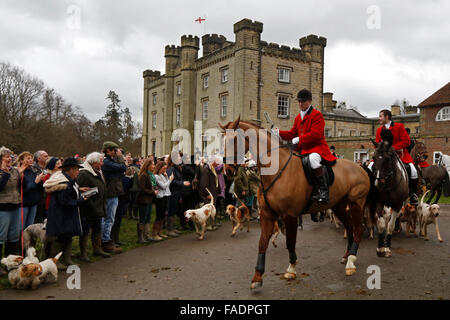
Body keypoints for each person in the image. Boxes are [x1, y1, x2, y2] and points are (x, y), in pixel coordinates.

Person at [274, 89, 337, 203]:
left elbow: (316, 135)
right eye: (299, 101)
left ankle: (323, 191)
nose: (300, 104)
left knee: (313, 160)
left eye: (303, 101)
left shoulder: (317, 115)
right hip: (303, 149)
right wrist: (279, 132)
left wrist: (300, 138)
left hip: (317, 148)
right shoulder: (298, 117)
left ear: (309, 101)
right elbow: (292, 133)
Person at [44, 158, 88, 270]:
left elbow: (71, 192)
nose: (78, 171)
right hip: (61, 215)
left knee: (68, 236)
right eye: (77, 169)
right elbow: (65, 201)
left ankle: (66, 259)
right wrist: (81, 200)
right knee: (61, 237)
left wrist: (79, 190)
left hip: (66, 214)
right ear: (71, 170)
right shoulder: (63, 183)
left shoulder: (68, 180)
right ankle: (54, 261)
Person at [368, 109, 419, 204]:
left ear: (387, 117)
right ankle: (370, 190)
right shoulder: (379, 130)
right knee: (369, 167)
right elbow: (377, 145)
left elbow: (406, 141)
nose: (379, 118)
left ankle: (412, 194)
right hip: (383, 156)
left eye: (380, 116)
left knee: (413, 171)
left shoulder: (399, 126)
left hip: (399, 155)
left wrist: (393, 148)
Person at [76, 152, 110, 262]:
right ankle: (83, 253)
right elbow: (82, 191)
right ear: (94, 162)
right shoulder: (84, 173)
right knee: (85, 231)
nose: (102, 163)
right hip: (88, 207)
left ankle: (97, 249)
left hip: (98, 206)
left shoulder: (96, 171)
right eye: (101, 161)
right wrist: (94, 198)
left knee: (97, 228)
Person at [0, 147, 22, 275]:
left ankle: (10, 262)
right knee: (1, 236)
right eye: (7, 156)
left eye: (10, 156)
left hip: (15, 205)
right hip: (3, 207)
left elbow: (20, 185)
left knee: (13, 235)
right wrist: (5, 173)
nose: (10, 159)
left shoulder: (15, 171)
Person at [101, 141, 126, 254]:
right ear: (108, 150)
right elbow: (122, 168)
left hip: (114, 192)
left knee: (110, 218)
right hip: (110, 193)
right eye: (114, 150)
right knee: (108, 219)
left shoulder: (110, 161)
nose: (116, 152)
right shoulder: (106, 162)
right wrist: (120, 157)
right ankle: (105, 241)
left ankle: (107, 240)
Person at [16, 152, 45, 229]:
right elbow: (22, 190)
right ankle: (20, 241)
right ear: (21, 161)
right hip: (24, 204)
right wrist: (36, 182)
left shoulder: (33, 171)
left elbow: (38, 188)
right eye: (28, 158)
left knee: (30, 227)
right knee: (22, 227)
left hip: (33, 203)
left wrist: (40, 181)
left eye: (31, 158)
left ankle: (29, 241)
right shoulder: (19, 172)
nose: (31, 160)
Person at [166, 153, 190, 237]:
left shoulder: (177, 168)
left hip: (177, 192)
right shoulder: (171, 169)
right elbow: (172, 181)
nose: (180, 159)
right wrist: (182, 183)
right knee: (171, 210)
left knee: (174, 210)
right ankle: (169, 229)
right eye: (179, 158)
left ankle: (172, 228)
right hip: (172, 192)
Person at [135, 159, 158, 243]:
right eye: (152, 165)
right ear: (147, 165)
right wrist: (152, 192)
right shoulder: (144, 175)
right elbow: (142, 188)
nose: (154, 166)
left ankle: (147, 235)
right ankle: (140, 238)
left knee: (147, 218)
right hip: (143, 200)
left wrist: (154, 189)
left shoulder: (150, 175)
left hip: (149, 199)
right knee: (142, 218)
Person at [199, 156, 220, 230]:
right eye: (217, 161)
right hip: (209, 194)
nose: (218, 164)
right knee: (207, 210)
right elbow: (204, 184)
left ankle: (212, 224)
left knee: (212, 209)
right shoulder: (206, 170)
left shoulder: (211, 169)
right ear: (213, 161)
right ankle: (207, 225)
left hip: (213, 193)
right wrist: (206, 194)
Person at [154, 161, 174, 240]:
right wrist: (170, 179)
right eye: (164, 168)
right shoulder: (156, 176)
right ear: (159, 168)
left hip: (165, 196)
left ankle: (160, 232)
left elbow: (167, 185)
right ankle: (155, 233)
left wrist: (166, 177)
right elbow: (163, 186)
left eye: (165, 168)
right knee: (159, 215)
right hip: (160, 197)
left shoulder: (162, 175)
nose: (165, 170)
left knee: (163, 215)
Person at [32, 150, 49, 223]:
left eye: (47, 156)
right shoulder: (33, 169)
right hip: (37, 199)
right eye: (45, 156)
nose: (47, 157)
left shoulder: (48, 168)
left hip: (47, 197)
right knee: (37, 221)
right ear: (39, 158)